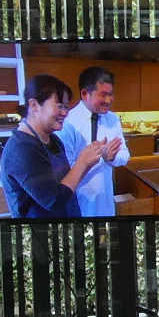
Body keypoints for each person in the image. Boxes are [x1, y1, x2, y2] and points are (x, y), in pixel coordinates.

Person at [0, 75, 115, 221]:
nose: (65, 113)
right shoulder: (22, 149)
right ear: (34, 105)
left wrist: (93, 159)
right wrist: (83, 162)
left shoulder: (52, 139)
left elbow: (67, 183)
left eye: (66, 107)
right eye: (59, 106)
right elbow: (54, 200)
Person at [58, 65, 128, 218]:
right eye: (103, 95)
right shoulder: (69, 123)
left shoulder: (113, 119)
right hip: (79, 199)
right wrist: (89, 159)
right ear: (85, 94)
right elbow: (65, 169)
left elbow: (125, 155)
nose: (109, 100)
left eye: (111, 94)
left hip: (105, 199)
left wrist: (111, 157)